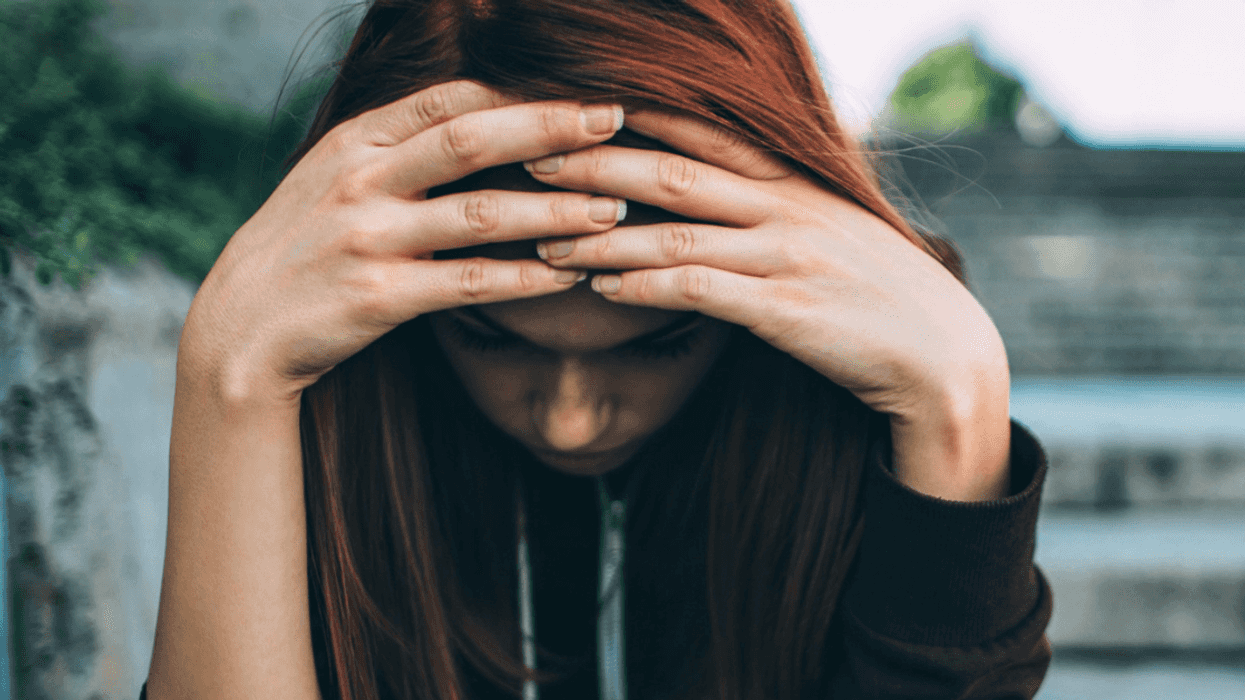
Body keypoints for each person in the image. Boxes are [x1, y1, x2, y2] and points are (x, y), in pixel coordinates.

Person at [143, 0, 1053, 698]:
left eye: (660, 345)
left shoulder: (849, 415)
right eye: (485, 336)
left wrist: (957, 405)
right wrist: (232, 377)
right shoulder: (336, 400)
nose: (572, 423)